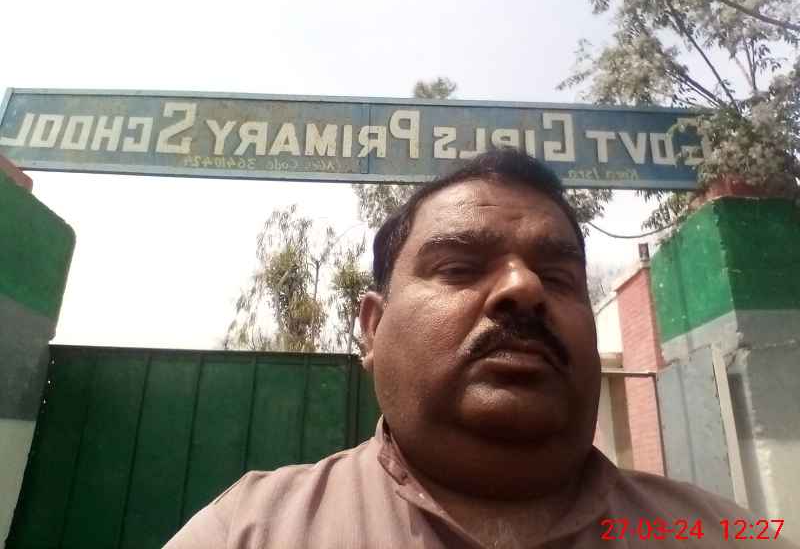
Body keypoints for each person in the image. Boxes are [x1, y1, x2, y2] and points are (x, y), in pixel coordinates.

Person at [165, 150, 796, 548]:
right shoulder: (248, 532)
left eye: (558, 277)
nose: (524, 288)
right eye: (460, 268)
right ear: (372, 327)